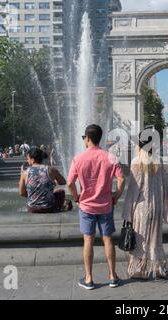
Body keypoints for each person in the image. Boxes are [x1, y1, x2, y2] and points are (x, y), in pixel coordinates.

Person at [67, 124, 125, 291]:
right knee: (108, 239)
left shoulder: (78, 158)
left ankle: (89, 278)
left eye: (84, 137)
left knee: (88, 240)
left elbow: (70, 183)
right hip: (106, 205)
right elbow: (121, 180)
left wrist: (77, 197)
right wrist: (116, 196)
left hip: (86, 207)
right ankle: (113, 276)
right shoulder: (110, 157)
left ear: (88, 138)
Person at [122, 136, 168, 280]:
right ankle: (158, 268)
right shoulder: (158, 162)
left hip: (141, 207)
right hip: (156, 206)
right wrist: (167, 209)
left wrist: (128, 211)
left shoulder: (136, 162)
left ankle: (140, 270)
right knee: (155, 239)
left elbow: (133, 190)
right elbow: (164, 187)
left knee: (141, 240)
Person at [19, 147, 71, 214]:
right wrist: (53, 181)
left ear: (33, 159)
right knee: (60, 192)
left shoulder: (25, 173)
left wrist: (34, 196)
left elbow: (21, 193)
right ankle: (59, 208)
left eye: (28, 158)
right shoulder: (51, 170)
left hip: (32, 208)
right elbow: (63, 182)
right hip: (49, 208)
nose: (27, 160)